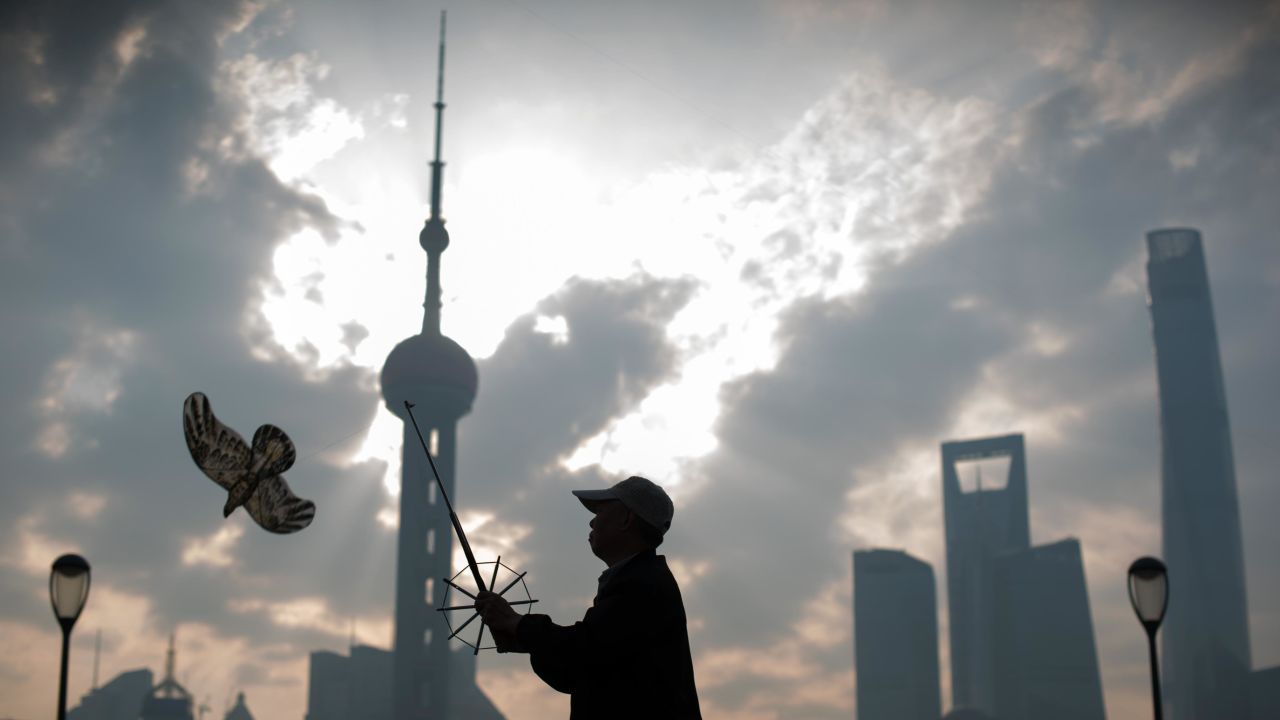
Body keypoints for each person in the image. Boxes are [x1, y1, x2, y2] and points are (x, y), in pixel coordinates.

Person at [475, 475, 702, 720]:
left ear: (627, 519)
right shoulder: (640, 580)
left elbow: (583, 652)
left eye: (601, 511)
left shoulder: (642, 585)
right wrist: (522, 639)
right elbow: (580, 671)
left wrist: (517, 624)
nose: (592, 522)